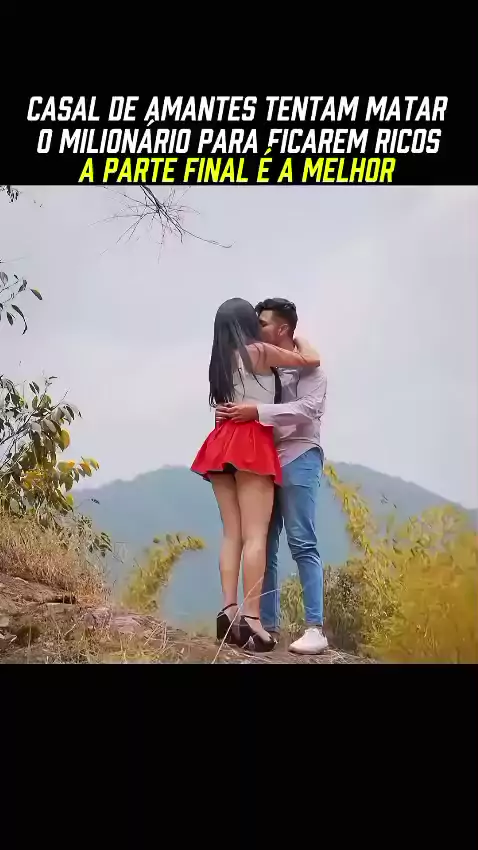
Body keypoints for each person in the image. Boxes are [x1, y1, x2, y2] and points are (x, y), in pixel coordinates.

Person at [191, 297, 321, 652]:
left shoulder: (220, 361)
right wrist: (297, 336)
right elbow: (310, 360)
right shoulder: (260, 352)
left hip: (221, 443)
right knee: (255, 536)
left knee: (231, 534)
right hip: (251, 443)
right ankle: (252, 618)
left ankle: (229, 609)